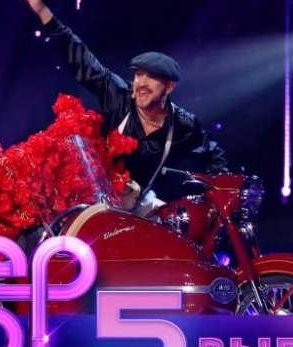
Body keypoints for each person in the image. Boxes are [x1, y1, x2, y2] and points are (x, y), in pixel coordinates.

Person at [24, 0, 229, 215]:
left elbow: (212, 155)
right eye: (139, 75)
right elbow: (81, 59)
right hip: (97, 202)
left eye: (151, 77)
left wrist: (224, 192)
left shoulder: (183, 124)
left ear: (169, 87)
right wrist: (42, 11)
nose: (142, 83)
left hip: (139, 207)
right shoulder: (119, 96)